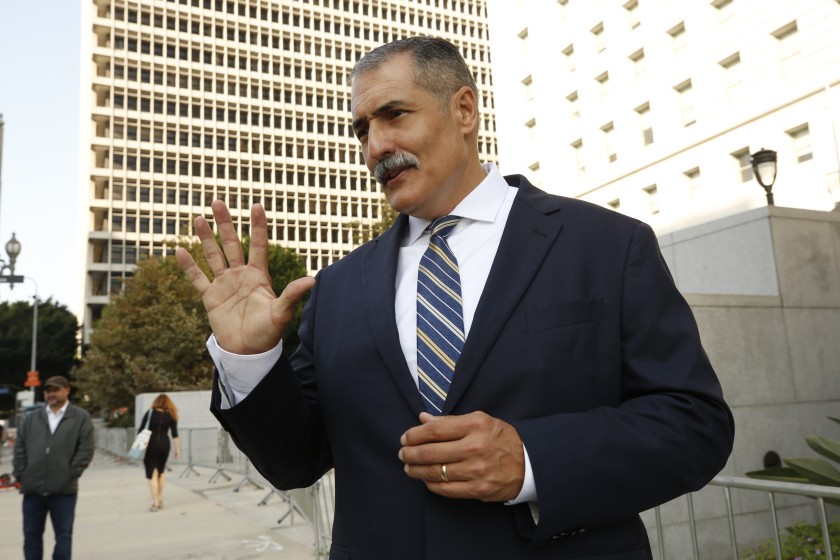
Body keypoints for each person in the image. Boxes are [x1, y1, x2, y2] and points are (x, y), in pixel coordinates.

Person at [176, 36, 735, 558]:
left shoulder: (608, 245)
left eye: (394, 115)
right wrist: (248, 359)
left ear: (464, 110)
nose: (376, 147)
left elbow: (694, 424)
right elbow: (293, 460)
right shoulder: (339, 287)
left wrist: (533, 461)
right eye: (361, 130)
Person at [13, 376, 94, 560]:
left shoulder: (80, 417)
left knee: (63, 537)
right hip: (33, 489)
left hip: (64, 489)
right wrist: (21, 473)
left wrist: (72, 472)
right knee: (31, 538)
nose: (51, 394)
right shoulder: (32, 418)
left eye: (56, 390)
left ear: (67, 390)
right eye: (48, 390)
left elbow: (86, 449)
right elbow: (20, 447)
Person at [138, 394, 180, 511]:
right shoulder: (171, 415)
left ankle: (156, 502)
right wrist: (177, 449)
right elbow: (175, 434)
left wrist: (141, 445)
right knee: (161, 471)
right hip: (165, 444)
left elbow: (141, 429)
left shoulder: (150, 413)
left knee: (152, 473)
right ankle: (160, 497)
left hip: (151, 444)